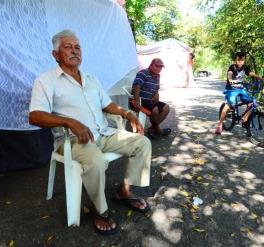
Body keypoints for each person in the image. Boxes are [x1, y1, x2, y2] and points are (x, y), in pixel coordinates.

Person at [29, 29, 152, 235]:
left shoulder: (91, 78)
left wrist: (127, 113)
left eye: (77, 47)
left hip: (102, 133)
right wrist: (69, 122)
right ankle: (100, 209)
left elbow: (107, 105)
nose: (74, 51)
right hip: (72, 141)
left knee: (142, 143)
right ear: (55, 55)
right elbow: (35, 116)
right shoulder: (46, 80)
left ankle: (124, 191)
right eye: (68, 47)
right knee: (94, 160)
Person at [215, 52, 263, 135]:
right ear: (235, 60)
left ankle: (245, 118)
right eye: (238, 60)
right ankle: (219, 125)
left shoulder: (245, 67)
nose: (240, 62)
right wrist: (230, 80)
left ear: (244, 60)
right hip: (231, 89)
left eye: (242, 60)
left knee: (251, 103)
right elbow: (229, 74)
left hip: (241, 89)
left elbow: (251, 73)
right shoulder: (232, 67)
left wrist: (260, 78)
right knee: (228, 105)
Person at [131, 58, 171, 137]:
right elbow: (137, 86)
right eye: (157, 66)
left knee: (166, 108)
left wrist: (156, 94)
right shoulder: (143, 73)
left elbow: (156, 88)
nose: (159, 68)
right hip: (141, 99)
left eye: (161, 67)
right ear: (151, 65)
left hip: (150, 100)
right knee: (155, 110)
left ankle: (152, 129)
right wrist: (137, 102)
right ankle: (158, 130)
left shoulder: (157, 76)